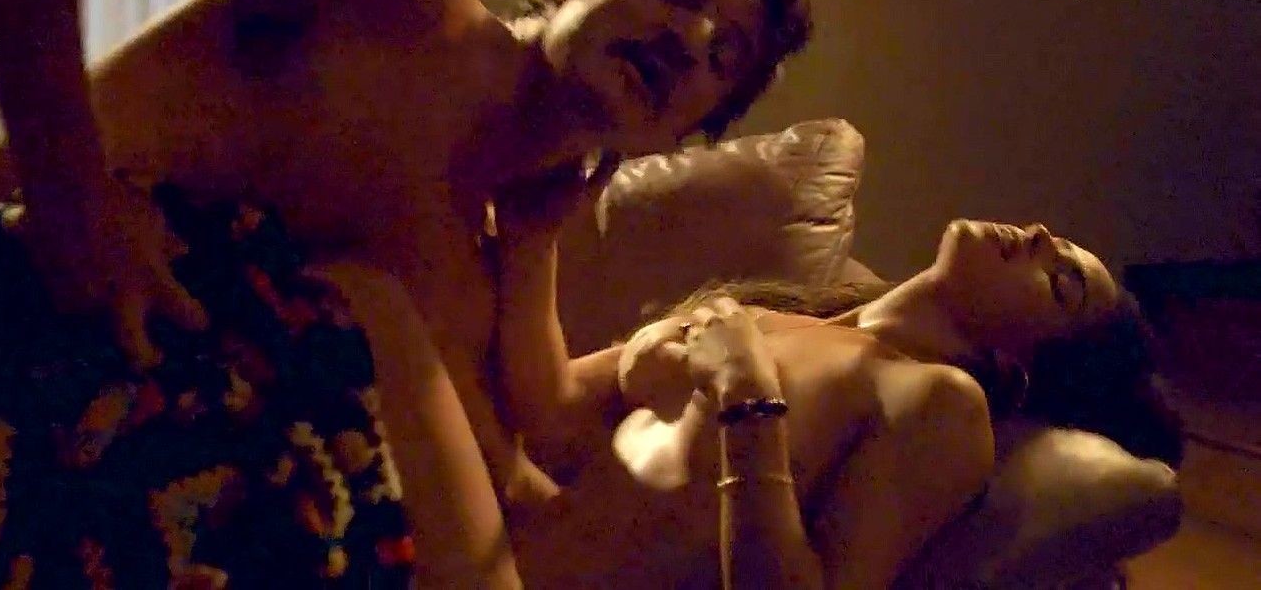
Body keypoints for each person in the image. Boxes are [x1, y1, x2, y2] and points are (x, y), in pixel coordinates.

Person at [0, 0, 811, 585]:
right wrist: (68, 189)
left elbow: (519, 483)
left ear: (681, 135)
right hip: (4, 321)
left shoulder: (469, 280)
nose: (690, 36)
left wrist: (748, 410)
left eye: (723, 56)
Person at [491, 217, 1183, 587]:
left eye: (1061, 283)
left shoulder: (937, 401)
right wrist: (536, 241)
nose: (1037, 236)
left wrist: (748, 396)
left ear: (1019, 368)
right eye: (1058, 245)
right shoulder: (767, 316)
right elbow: (541, 411)